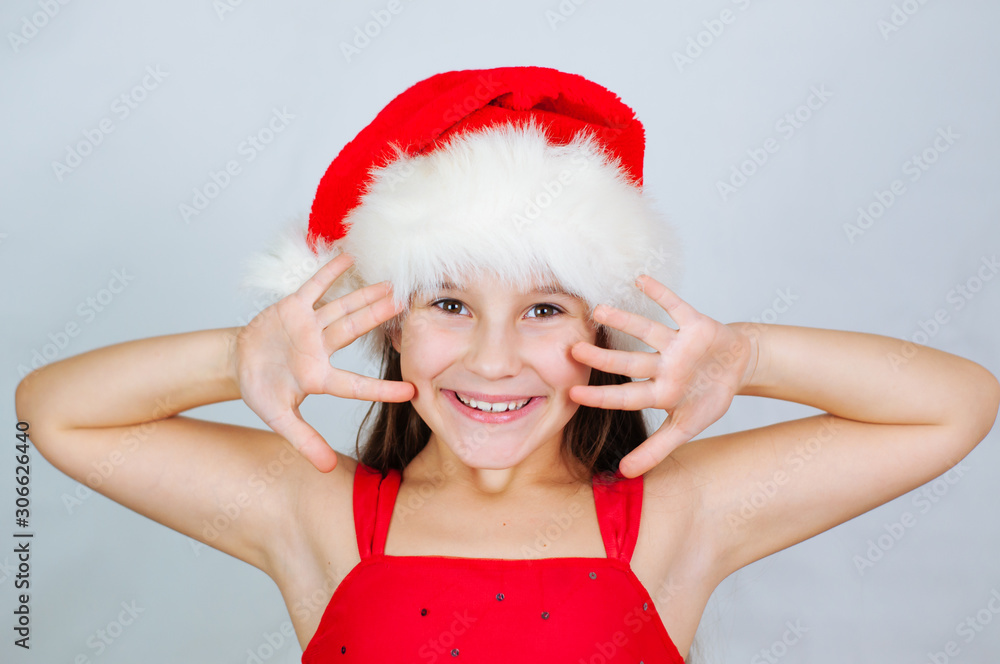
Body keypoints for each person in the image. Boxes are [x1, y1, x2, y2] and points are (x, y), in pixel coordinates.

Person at [14, 66, 1000, 663]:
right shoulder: (320, 511)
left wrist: (754, 355)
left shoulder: (671, 515)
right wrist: (239, 358)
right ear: (389, 324)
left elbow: (954, 405)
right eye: (449, 303)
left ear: (602, 329)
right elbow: (54, 411)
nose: (493, 357)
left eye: (540, 308)